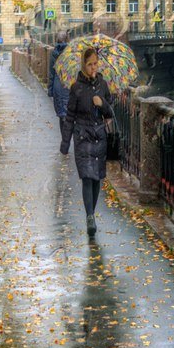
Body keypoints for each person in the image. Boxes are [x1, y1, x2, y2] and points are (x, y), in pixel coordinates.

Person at [60, 48, 113, 236]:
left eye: (95, 63)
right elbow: (70, 117)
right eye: (89, 64)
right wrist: (65, 144)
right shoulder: (76, 88)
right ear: (83, 65)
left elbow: (110, 113)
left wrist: (102, 104)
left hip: (99, 137)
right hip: (82, 138)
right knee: (87, 177)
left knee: (97, 177)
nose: (93, 67)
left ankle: (91, 213)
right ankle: (90, 216)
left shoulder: (103, 85)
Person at [46, 34, 70, 139]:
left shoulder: (53, 53)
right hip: (69, 84)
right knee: (71, 113)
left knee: (62, 115)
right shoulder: (71, 53)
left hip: (57, 84)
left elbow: (51, 73)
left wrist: (50, 90)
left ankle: (64, 140)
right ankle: (69, 138)